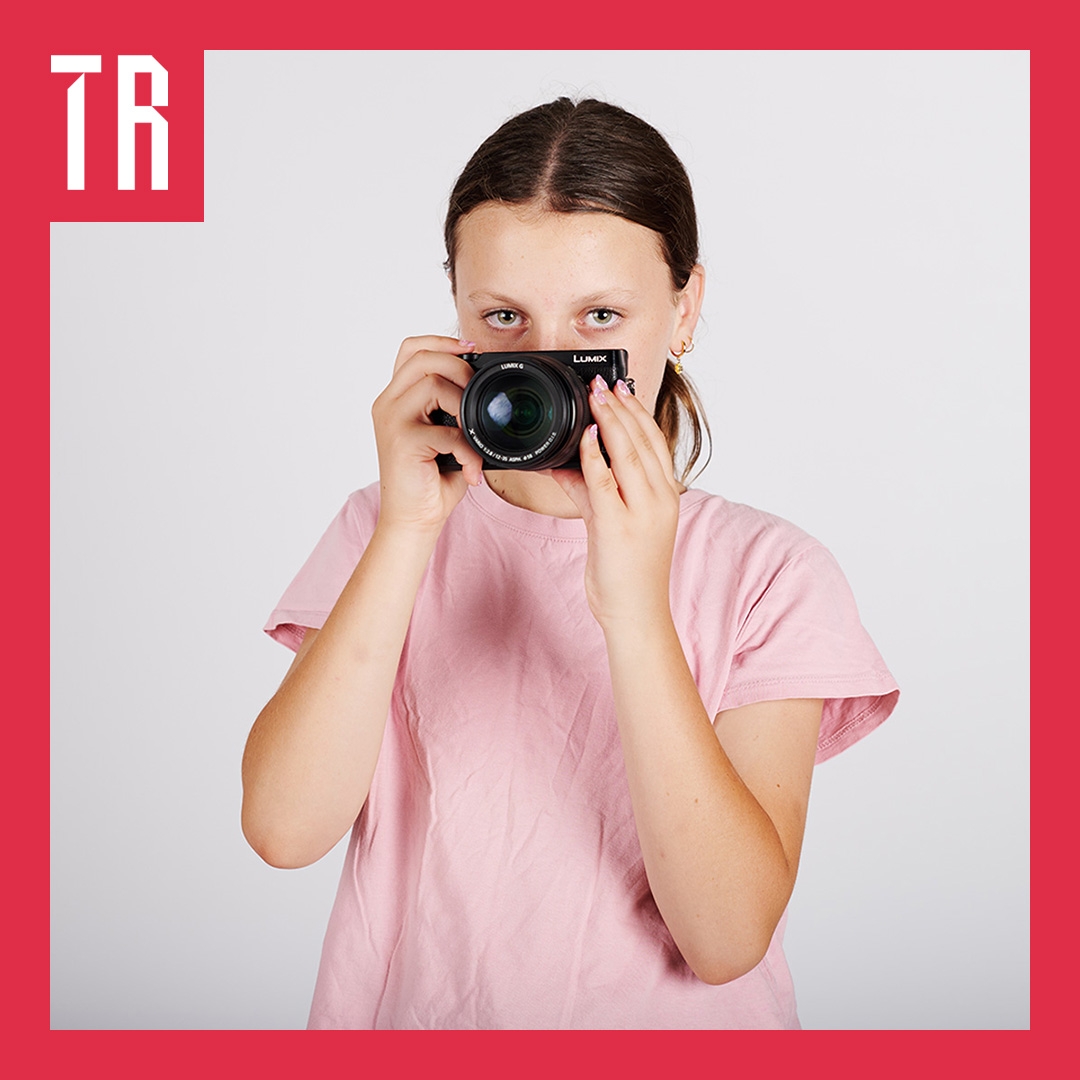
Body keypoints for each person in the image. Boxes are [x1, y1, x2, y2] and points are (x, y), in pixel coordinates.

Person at [241, 97, 899, 1030]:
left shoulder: (768, 574)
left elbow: (726, 934)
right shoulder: (381, 533)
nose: (543, 360)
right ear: (455, 315)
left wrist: (633, 607)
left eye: (598, 316)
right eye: (503, 316)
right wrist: (405, 532)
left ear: (684, 309)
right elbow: (281, 829)